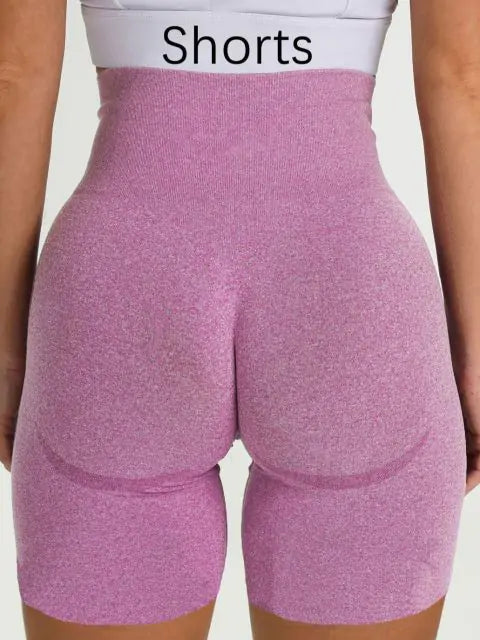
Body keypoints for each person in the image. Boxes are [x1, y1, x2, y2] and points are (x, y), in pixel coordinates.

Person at [0, 1, 478, 639]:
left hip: (118, 283)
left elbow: (14, 72)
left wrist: (8, 353)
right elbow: (462, 77)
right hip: (352, 287)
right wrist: (474, 357)